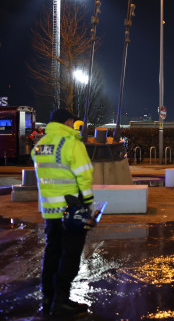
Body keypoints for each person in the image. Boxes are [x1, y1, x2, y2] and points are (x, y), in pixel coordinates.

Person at [31, 108, 94, 316]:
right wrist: (87, 203)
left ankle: (48, 296)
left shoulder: (40, 145)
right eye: (71, 122)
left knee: (53, 251)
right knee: (71, 254)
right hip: (70, 209)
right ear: (66, 122)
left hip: (50, 210)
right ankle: (61, 301)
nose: (73, 125)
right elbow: (84, 175)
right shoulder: (71, 144)